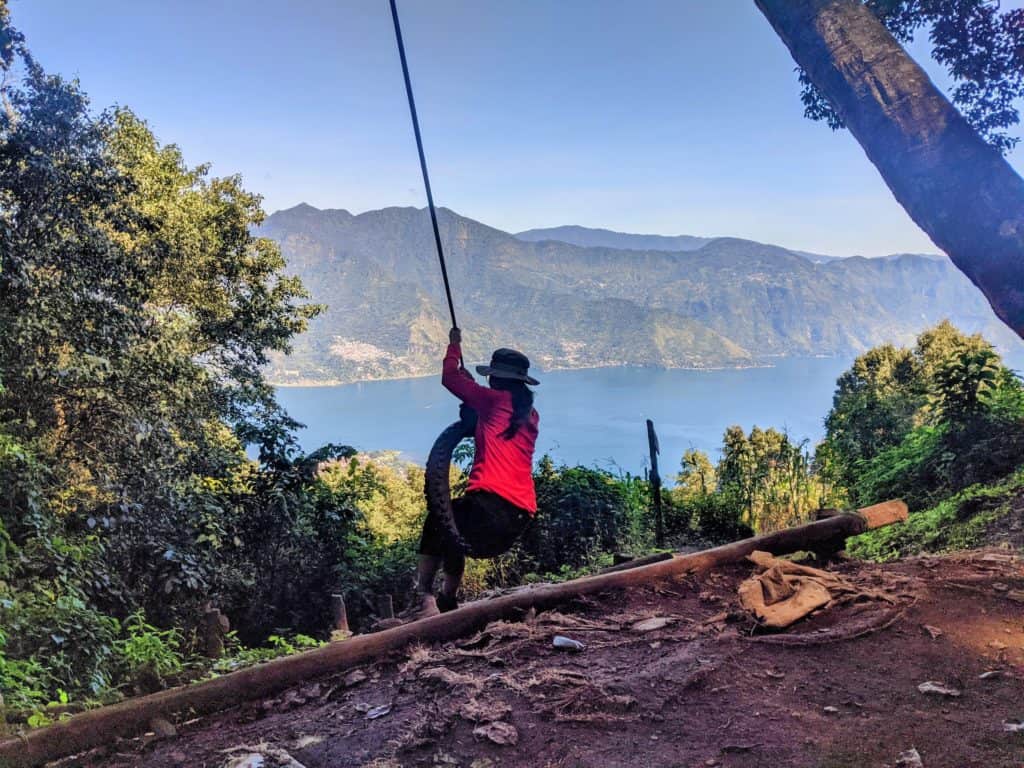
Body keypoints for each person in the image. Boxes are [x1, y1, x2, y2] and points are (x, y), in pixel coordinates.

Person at [411, 327, 540, 617]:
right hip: (519, 517)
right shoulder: (529, 414)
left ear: (495, 378)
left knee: (439, 521)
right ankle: (447, 600)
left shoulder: (491, 401)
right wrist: (475, 397)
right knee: (453, 527)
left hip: (491, 506)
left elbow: (450, 378)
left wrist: (453, 346)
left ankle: (426, 595)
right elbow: (490, 421)